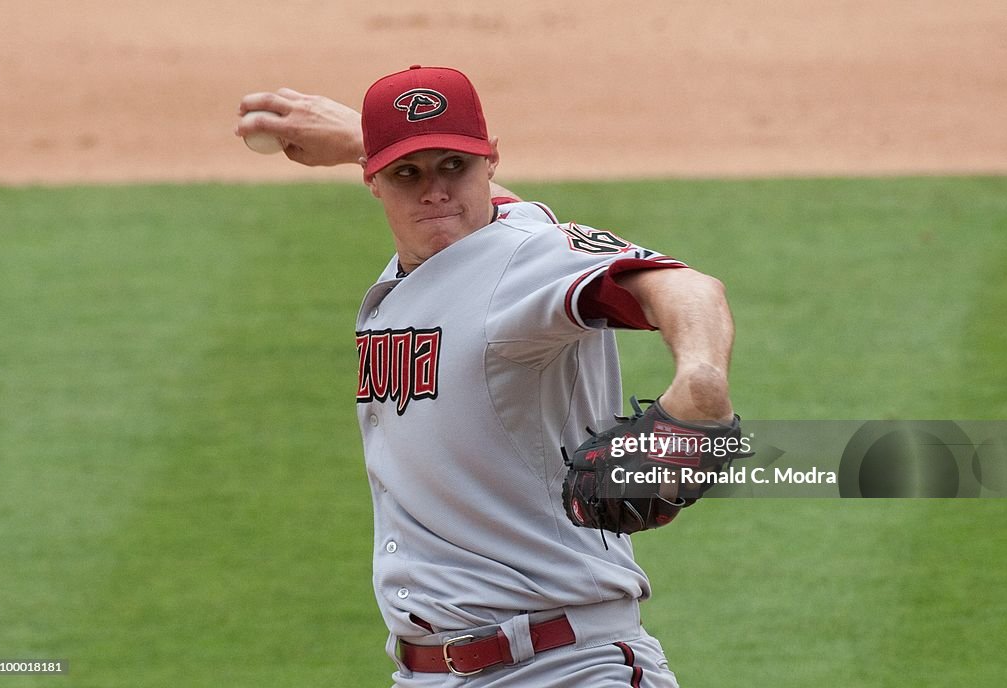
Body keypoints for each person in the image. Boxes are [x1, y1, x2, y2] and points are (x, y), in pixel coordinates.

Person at [236, 66, 736, 687]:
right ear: (374, 180)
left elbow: (682, 285)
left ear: (490, 161)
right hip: (431, 673)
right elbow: (475, 213)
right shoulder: (467, 246)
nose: (435, 191)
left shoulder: (529, 259)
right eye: (407, 172)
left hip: (565, 668)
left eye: (455, 166)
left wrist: (701, 383)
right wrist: (360, 137)